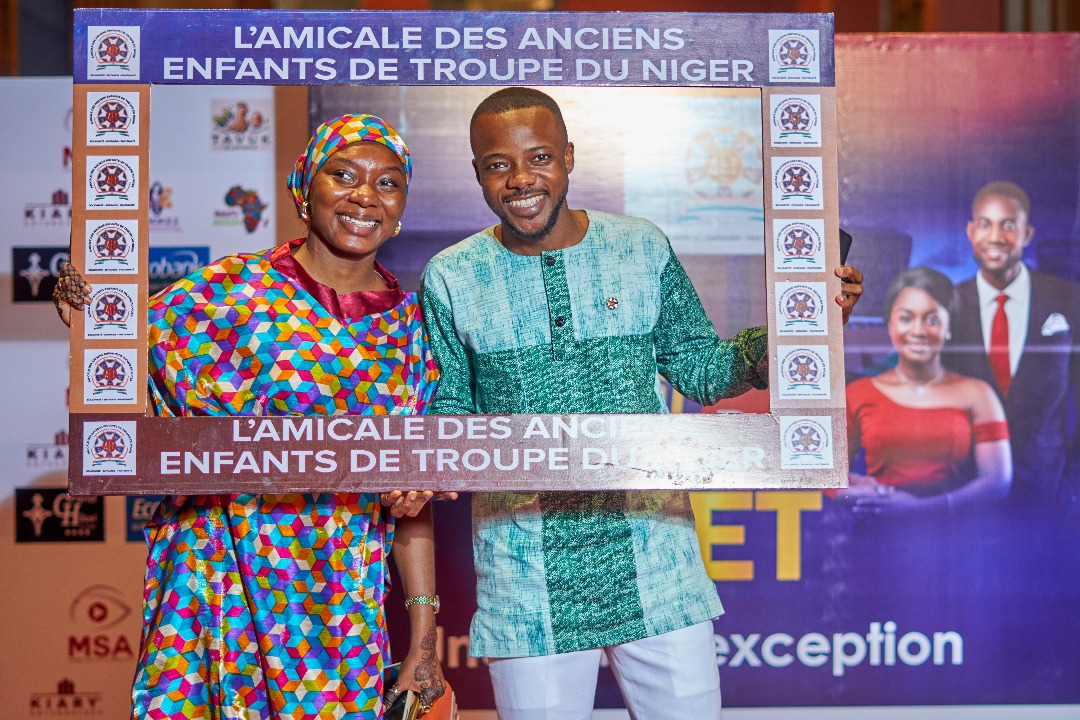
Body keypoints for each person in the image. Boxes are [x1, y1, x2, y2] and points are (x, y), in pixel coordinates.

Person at [419, 86, 864, 719]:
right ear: (478, 173)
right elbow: (450, 420)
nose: (521, 179)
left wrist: (802, 331)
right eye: (499, 164)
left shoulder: (640, 246)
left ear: (569, 157)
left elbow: (702, 369)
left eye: (539, 157)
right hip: (526, 574)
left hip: (656, 558)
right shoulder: (451, 276)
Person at [54, 115, 449, 719]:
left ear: (400, 210)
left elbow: (411, 501)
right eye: (343, 175)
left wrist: (423, 639)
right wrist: (89, 313)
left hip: (335, 603)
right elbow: (123, 357)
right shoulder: (227, 291)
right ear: (304, 189)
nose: (365, 195)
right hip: (213, 577)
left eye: (388, 183)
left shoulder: (411, 333)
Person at [943, 181, 1080, 507]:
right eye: (985, 224)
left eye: (1008, 225)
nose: (995, 237)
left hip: (1049, 487)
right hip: (967, 488)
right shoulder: (947, 304)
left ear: (1027, 234)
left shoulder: (1068, 299)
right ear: (970, 232)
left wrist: (1072, 481)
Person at [842, 266, 1012, 514]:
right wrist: (854, 491)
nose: (918, 331)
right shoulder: (857, 394)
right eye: (906, 318)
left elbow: (997, 482)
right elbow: (827, 478)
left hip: (953, 533)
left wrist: (921, 509)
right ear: (890, 324)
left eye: (932, 319)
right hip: (878, 528)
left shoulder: (979, 394)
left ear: (949, 326)